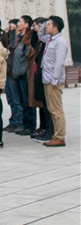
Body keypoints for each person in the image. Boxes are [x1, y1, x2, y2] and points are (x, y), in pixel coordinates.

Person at [38, 15, 68, 147]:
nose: (46, 26)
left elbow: (59, 63)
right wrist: (45, 23)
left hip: (53, 81)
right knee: (51, 108)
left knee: (56, 110)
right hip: (47, 79)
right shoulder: (49, 39)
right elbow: (40, 34)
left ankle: (60, 136)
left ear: (56, 27)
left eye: (49, 24)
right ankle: (57, 134)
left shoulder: (60, 42)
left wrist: (55, 80)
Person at [11, 15, 37, 136]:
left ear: (27, 24)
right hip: (18, 74)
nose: (18, 24)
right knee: (22, 101)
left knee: (27, 102)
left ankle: (30, 126)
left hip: (24, 75)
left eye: (20, 22)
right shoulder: (19, 38)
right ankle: (25, 125)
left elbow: (28, 59)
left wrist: (25, 74)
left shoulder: (28, 39)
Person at [4, 19, 24, 133]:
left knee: (17, 101)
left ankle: (19, 122)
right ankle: (13, 121)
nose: (12, 30)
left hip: (13, 74)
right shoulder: (11, 40)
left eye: (14, 28)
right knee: (11, 100)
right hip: (7, 73)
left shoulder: (19, 41)